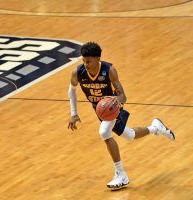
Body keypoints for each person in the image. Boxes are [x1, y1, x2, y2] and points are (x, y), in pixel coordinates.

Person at [68, 42, 175, 190]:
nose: (85, 64)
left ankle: (121, 174)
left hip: (112, 106)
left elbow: (123, 96)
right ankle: (155, 127)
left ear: (98, 58)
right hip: (99, 109)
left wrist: (116, 101)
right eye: (83, 61)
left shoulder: (109, 70)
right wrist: (74, 113)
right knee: (129, 135)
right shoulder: (78, 73)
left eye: (89, 61)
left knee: (104, 132)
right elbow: (72, 90)